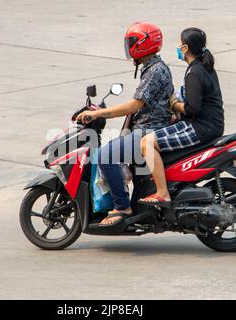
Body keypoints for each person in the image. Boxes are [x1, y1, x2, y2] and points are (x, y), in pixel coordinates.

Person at [76, 22, 173, 225]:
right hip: (146, 128)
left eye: (132, 42)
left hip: (148, 131)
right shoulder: (153, 67)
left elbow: (134, 105)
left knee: (105, 155)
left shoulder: (155, 70)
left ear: (143, 44)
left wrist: (98, 113)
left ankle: (122, 207)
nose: (129, 47)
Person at [139, 27, 224, 207]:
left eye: (180, 44)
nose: (178, 47)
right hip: (209, 124)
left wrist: (175, 104)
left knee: (146, 142)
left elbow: (192, 109)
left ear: (185, 48)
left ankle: (162, 193)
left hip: (201, 128)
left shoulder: (194, 72)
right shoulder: (204, 67)